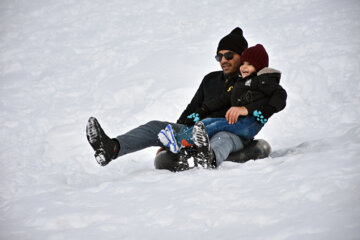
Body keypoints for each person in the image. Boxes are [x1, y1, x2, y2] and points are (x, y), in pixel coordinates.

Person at [86, 27, 264, 169]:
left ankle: (208, 159)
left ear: (242, 57)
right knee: (156, 126)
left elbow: (264, 106)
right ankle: (112, 148)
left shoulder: (250, 83)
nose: (223, 60)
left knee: (222, 137)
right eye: (219, 56)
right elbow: (191, 109)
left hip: (232, 134)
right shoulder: (210, 79)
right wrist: (173, 139)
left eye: (229, 55)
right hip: (198, 132)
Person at [159, 44, 287, 154]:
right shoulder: (241, 82)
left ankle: (181, 142)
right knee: (207, 121)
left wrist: (267, 110)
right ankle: (178, 139)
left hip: (248, 124)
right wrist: (203, 110)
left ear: (259, 67)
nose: (243, 67)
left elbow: (280, 95)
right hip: (238, 121)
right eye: (242, 63)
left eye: (249, 64)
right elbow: (224, 99)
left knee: (215, 126)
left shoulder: (263, 81)